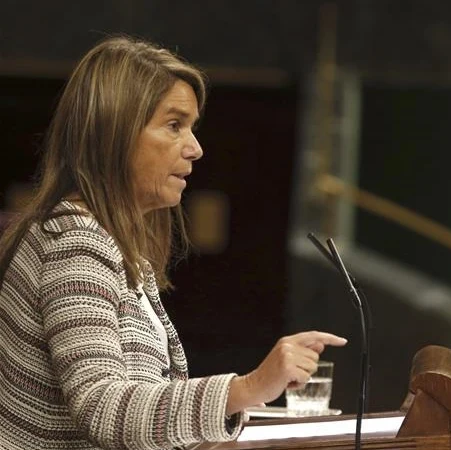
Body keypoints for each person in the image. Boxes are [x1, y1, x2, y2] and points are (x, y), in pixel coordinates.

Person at [0, 35, 347, 450]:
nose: (196, 148)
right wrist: (250, 386)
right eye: (173, 125)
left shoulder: (105, 241)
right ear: (116, 131)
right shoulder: (75, 242)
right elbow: (103, 408)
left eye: (191, 128)